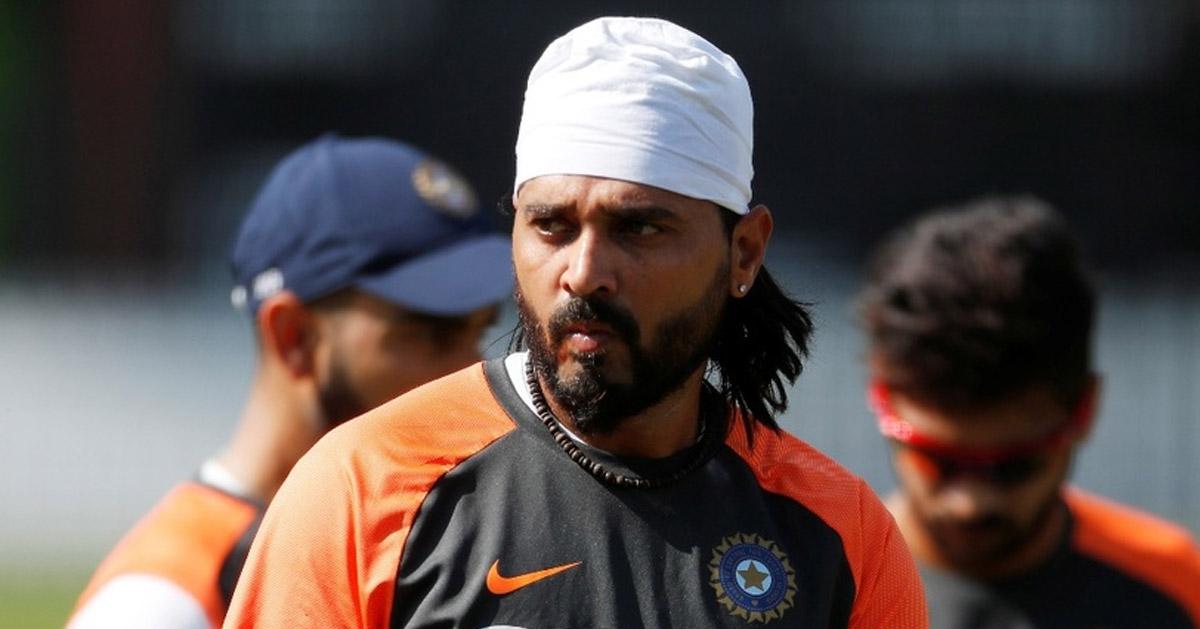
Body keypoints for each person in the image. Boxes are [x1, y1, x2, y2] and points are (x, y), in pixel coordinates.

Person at [224, 17, 926, 628]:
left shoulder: (842, 533)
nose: (584, 273)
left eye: (639, 228)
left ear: (743, 252)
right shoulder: (361, 488)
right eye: (551, 225)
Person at [68, 134, 513, 629]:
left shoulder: (425, 545)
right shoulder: (164, 605)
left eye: (481, 331)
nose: (473, 370)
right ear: (294, 336)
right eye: (431, 335)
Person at [857, 195, 1200, 627]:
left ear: (1085, 409)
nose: (970, 504)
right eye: (939, 460)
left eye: (1012, 466)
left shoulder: (1175, 587)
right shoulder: (817, 585)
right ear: (883, 398)